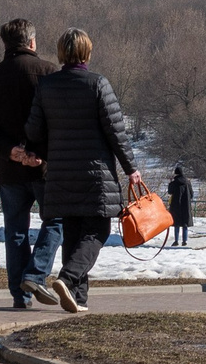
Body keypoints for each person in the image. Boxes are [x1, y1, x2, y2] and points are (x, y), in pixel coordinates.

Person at [22, 28, 141, 313]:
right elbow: (116, 131)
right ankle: (67, 278)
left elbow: (34, 129)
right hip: (95, 174)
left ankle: (77, 297)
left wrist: (34, 152)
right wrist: (131, 169)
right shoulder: (98, 84)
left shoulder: (47, 86)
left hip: (61, 174)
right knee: (97, 231)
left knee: (73, 233)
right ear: (87, 52)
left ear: (62, 53)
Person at [0, 18, 58, 309]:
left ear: (5, 43)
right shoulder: (50, 73)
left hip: (9, 169)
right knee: (56, 220)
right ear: (32, 42)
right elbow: (57, 123)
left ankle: (20, 295)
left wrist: (12, 151)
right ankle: (35, 274)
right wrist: (38, 154)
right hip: (45, 168)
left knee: (16, 231)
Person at [165, 168, 195, 249]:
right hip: (186, 205)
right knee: (185, 223)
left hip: (176, 205)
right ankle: (185, 241)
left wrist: (170, 183)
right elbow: (191, 194)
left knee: (177, 223)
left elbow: (170, 192)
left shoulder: (174, 183)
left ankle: (176, 240)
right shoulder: (188, 182)